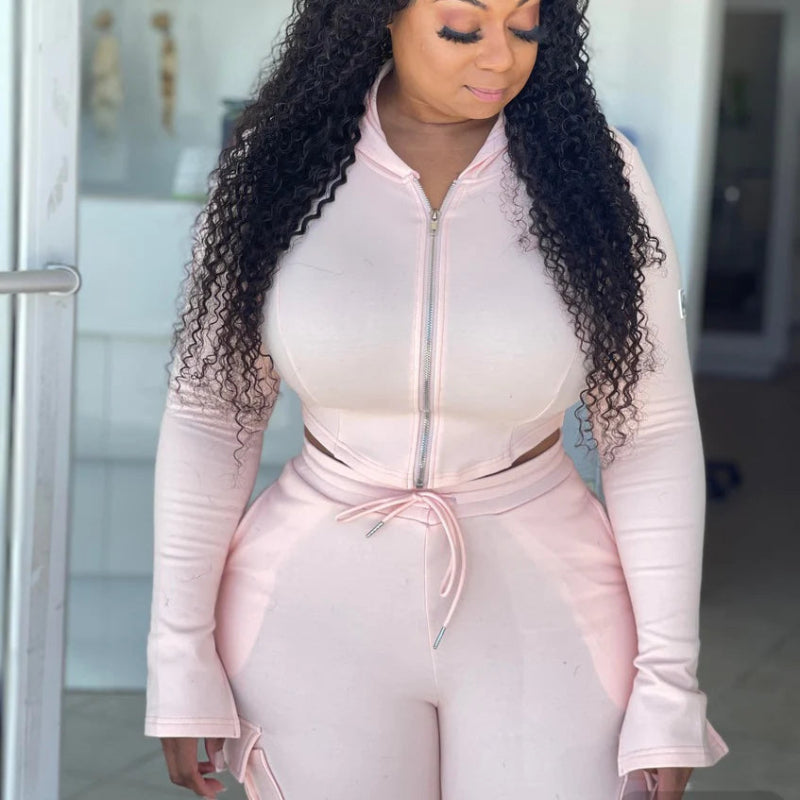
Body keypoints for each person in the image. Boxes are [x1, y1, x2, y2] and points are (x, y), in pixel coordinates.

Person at [143, 1, 730, 798]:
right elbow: (212, 413)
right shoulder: (274, 160)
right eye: (463, 28)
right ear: (378, 15)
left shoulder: (599, 171)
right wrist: (180, 657)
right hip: (310, 617)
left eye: (525, 27)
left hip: (549, 611)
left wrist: (668, 684)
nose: (501, 59)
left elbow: (649, 430)